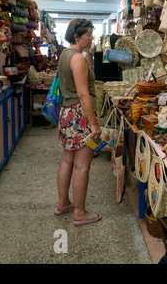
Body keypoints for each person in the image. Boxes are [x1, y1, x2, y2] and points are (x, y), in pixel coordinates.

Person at [54, 18, 101, 226]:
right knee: (82, 166)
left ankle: (63, 203)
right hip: (79, 115)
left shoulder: (66, 54)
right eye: (89, 34)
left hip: (66, 113)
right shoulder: (78, 60)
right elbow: (83, 95)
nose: (92, 38)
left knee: (67, 160)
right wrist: (94, 124)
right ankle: (80, 213)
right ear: (77, 36)